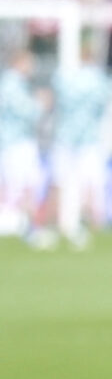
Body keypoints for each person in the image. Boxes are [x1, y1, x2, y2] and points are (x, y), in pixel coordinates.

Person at [43, 48, 112, 250]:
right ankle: (84, 227)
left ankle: (51, 228)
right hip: (88, 139)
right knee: (88, 184)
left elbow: (53, 102)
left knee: (58, 182)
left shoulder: (64, 78)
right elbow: (102, 108)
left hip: (64, 137)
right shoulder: (99, 81)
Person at [0, 49, 41, 238]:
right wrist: (40, 104)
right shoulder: (11, 83)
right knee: (16, 186)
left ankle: (26, 226)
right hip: (14, 142)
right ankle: (14, 225)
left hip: (18, 142)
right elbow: (27, 112)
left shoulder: (18, 83)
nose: (32, 68)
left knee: (27, 184)